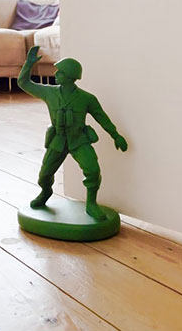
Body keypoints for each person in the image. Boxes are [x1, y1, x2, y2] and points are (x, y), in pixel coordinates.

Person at [17, 46, 128, 220]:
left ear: (70, 77)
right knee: (44, 175)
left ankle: (91, 204)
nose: (56, 74)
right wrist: (28, 64)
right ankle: (45, 192)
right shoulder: (49, 92)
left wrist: (116, 135)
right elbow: (24, 83)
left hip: (79, 140)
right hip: (58, 141)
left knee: (93, 171)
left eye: (60, 72)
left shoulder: (87, 98)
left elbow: (102, 118)